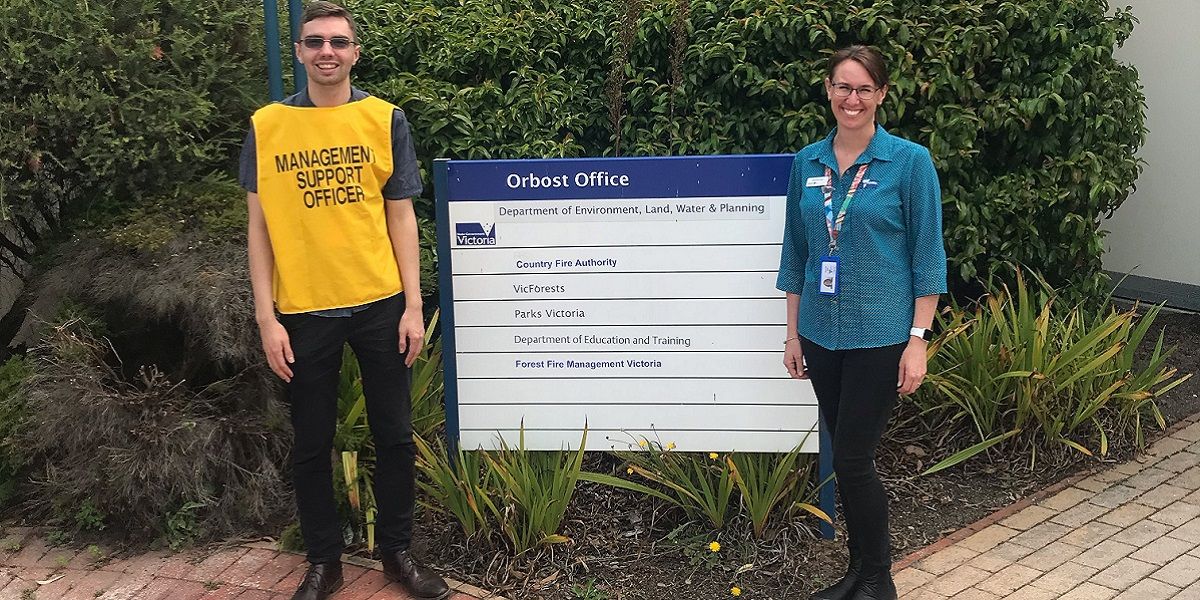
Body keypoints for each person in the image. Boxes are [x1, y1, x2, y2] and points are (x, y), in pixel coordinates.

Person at [238, 2, 450, 599]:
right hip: (301, 311)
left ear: (355, 52)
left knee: (395, 435)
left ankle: (399, 555)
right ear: (300, 52)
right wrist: (265, 317)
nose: (326, 52)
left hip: (380, 303)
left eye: (338, 41)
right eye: (314, 42)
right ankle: (323, 561)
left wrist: (414, 306)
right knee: (311, 442)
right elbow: (258, 227)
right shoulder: (267, 126)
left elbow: (401, 215)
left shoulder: (385, 120)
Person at [776, 45, 947, 600]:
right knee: (847, 460)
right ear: (827, 89)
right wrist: (793, 333)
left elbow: (928, 258)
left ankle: (877, 577)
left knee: (853, 459)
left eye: (864, 89)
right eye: (843, 87)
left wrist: (917, 340)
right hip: (822, 336)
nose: (853, 99)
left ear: (881, 95)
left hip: (882, 335)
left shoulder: (909, 161)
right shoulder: (807, 162)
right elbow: (796, 254)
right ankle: (860, 573)